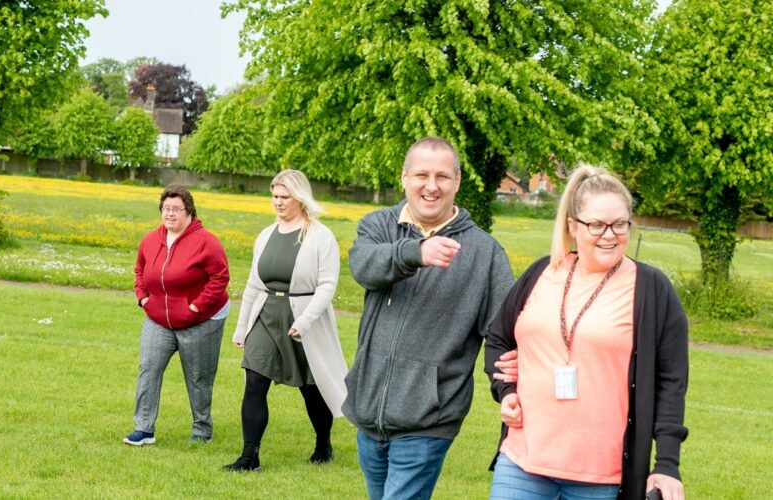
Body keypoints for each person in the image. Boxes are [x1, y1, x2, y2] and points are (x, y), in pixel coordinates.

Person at [485, 164, 689, 500]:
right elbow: (497, 338)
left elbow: (671, 381)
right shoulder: (541, 272)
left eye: (619, 224)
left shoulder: (652, 289)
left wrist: (666, 464)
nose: (609, 235)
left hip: (601, 478)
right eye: (596, 225)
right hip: (522, 462)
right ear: (572, 227)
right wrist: (505, 390)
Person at [342, 137, 514, 499]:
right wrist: (415, 253)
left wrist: (509, 390)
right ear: (404, 177)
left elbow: (504, 335)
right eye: (421, 174)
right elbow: (364, 266)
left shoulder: (485, 253)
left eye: (442, 176)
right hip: (369, 411)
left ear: (457, 181)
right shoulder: (378, 226)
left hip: (429, 419)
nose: (431, 186)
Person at [223, 169, 348, 472]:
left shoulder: (320, 236)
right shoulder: (265, 235)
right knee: (254, 382)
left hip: (304, 319)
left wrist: (304, 321)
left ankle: (323, 443)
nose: (277, 202)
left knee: (311, 387)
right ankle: (249, 456)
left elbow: (327, 285)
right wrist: (242, 327)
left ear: (300, 197)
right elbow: (254, 284)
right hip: (266, 315)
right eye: (275, 196)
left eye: (284, 197)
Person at [124, 184, 230, 446]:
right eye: (166, 209)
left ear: (189, 211)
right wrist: (143, 297)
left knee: (198, 377)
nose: (170, 214)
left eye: (176, 209)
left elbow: (220, 278)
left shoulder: (206, 242)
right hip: (158, 319)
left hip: (200, 322)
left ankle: (202, 429)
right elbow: (139, 270)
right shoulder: (151, 240)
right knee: (148, 368)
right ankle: (144, 428)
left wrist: (195, 307)